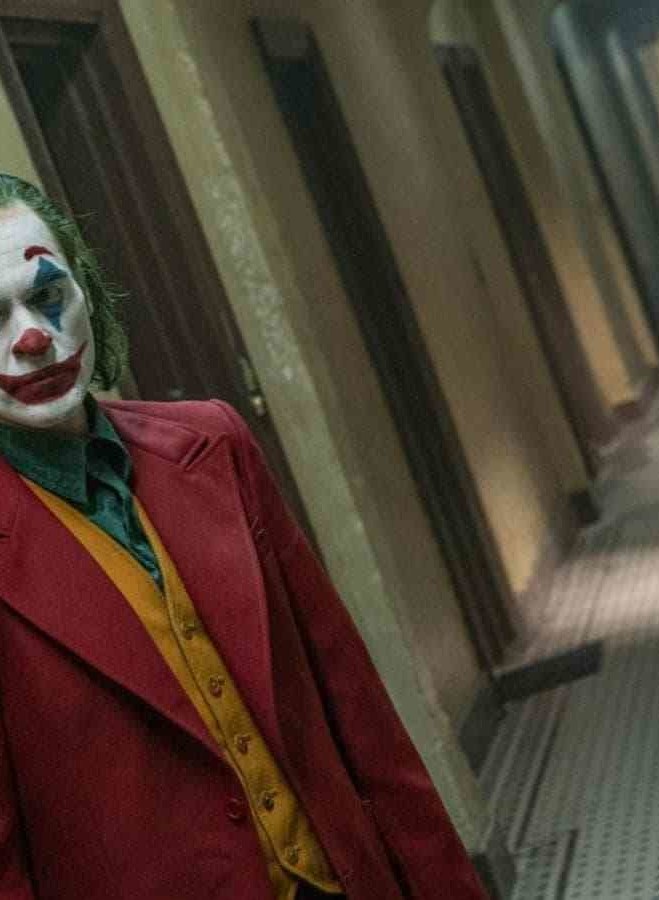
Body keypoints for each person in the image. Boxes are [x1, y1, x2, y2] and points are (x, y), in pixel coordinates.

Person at [0, 174, 488, 900]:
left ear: (86, 291)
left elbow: (358, 713)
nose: (32, 338)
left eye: (47, 295)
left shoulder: (214, 446)